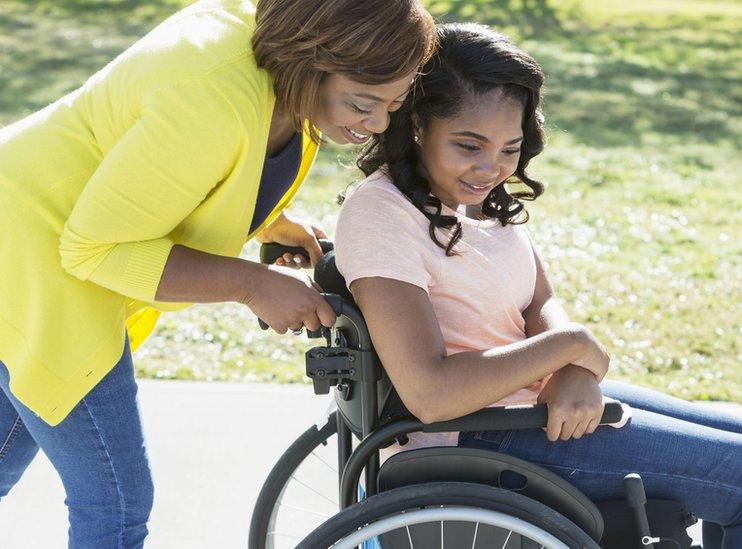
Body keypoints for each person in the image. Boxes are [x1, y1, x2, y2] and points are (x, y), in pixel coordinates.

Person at [333, 23, 742, 548]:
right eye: (469, 145)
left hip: (521, 400)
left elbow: (539, 300)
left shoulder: (469, 198)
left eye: (510, 149)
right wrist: (570, 348)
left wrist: (570, 367)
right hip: (474, 430)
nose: (492, 168)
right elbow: (431, 393)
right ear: (417, 123)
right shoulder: (383, 215)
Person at [0, 0, 435, 546]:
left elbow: (179, 170)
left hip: (24, 232)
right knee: (114, 500)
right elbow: (97, 247)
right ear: (309, 60)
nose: (377, 124)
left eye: (394, 104)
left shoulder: (272, 66)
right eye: (363, 103)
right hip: (36, 261)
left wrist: (268, 221)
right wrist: (252, 285)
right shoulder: (211, 99)